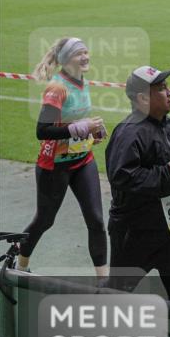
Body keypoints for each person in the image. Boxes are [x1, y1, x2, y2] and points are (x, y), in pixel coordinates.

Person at [106, 66, 170, 305]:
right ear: (142, 98)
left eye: (167, 86)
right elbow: (122, 177)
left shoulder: (168, 125)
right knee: (116, 295)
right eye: (161, 88)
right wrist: (167, 172)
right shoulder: (129, 133)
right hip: (136, 234)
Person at [19, 37, 107, 278]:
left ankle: (104, 282)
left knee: (97, 220)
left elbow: (74, 123)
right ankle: (21, 265)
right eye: (80, 53)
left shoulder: (81, 81)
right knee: (45, 220)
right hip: (54, 166)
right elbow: (43, 131)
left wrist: (92, 132)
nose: (86, 56)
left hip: (82, 160)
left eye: (86, 51)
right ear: (67, 60)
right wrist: (79, 128)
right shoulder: (57, 88)